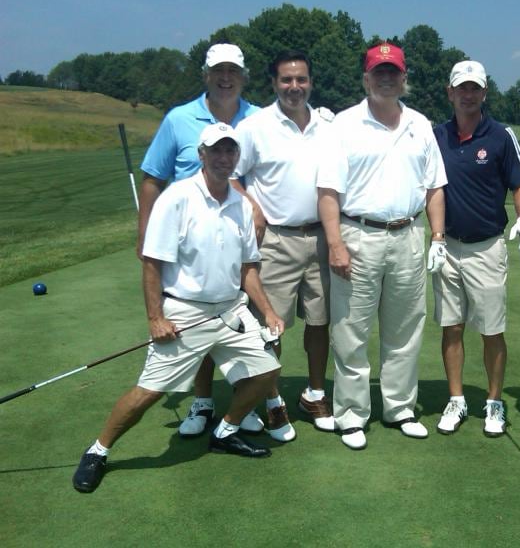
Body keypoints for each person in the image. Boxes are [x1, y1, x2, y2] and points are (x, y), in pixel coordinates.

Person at [72, 123, 284, 493]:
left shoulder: (240, 204)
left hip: (231, 310)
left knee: (267, 371)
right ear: (201, 155)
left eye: (230, 151)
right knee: (149, 392)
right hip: (185, 311)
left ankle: (225, 431)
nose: (223, 158)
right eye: (215, 151)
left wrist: (267, 311)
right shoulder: (177, 198)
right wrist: (156, 318)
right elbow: (152, 263)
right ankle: (97, 451)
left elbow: (249, 267)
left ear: (237, 156)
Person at [317, 42, 448, 450]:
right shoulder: (344, 124)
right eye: (379, 72)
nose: (386, 78)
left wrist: (437, 237)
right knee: (351, 329)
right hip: (358, 235)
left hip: (408, 234)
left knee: (405, 328)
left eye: (393, 72)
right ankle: (352, 415)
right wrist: (335, 244)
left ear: (404, 78)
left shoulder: (420, 124)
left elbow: (435, 187)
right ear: (366, 78)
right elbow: (327, 191)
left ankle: (399, 407)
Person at [137, 43, 264, 436]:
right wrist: (145, 236)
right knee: (199, 314)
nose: (226, 78)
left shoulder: (259, 119)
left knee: (243, 322)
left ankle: (246, 402)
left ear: (243, 75)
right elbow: (154, 179)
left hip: (246, 238)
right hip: (189, 238)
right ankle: (203, 401)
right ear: (206, 74)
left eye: (233, 71)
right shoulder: (179, 119)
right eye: (218, 70)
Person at [232, 50, 335, 438]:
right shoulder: (255, 126)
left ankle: (315, 393)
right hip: (276, 240)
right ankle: (272, 399)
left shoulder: (328, 125)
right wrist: (253, 207)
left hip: (322, 237)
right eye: (287, 80)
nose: (295, 87)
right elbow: (232, 176)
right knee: (270, 327)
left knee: (320, 322)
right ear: (274, 84)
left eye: (302, 80)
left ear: (311, 82)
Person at [431, 60, 520, 438]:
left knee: (491, 330)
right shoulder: (436, 135)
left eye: (475, 88)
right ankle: (456, 399)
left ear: (484, 93)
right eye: (462, 88)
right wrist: (435, 238)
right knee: (451, 327)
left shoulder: (501, 136)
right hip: (446, 247)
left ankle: (494, 402)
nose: (468, 94)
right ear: (450, 93)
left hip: (487, 247)